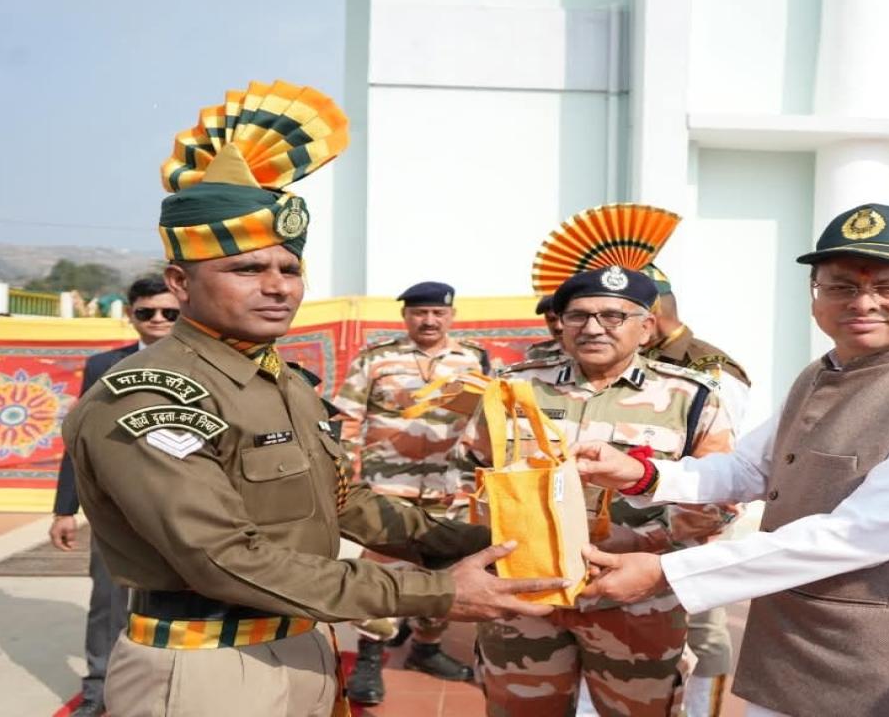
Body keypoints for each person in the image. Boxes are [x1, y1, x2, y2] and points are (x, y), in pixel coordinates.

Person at [62, 79, 562, 717]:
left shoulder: (284, 382)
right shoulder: (147, 397)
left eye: (290, 269)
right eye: (247, 269)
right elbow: (221, 559)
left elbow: (344, 502)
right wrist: (433, 592)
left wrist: (495, 539)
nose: (278, 288)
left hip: (304, 644)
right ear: (180, 283)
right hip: (208, 663)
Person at [573, 203, 889, 716]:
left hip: (882, 670)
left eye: (888, 287)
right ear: (816, 295)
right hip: (788, 652)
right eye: (840, 286)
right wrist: (643, 473)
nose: (863, 302)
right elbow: (752, 468)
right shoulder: (823, 373)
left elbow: (862, 534)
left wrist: (668, 572)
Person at [454, 265, 737, 716]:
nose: (592, 328)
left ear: (646, 326)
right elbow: (467, 475)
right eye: (578, 316)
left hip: (635, 600)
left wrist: (637, 541)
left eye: (612, 316)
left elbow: (719, 498)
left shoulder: (690, 399)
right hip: (524, 598)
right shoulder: (514, 388)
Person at [331, 281, 489, 702]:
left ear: (451, 316)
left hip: (449, 489)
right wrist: (344, 475)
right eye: (420, 312)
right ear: (405, 316)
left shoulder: (473, 360)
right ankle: (370, 654)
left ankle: (426, 648)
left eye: (438, 312)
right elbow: (346, 418)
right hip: (388, 489)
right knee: (382, 573)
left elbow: (487, 420)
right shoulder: (377, 359)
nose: (429, 320)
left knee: (445, 572)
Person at [49, 276, 179, 717]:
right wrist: (64, 509)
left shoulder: (206, 362)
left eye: (169, 312)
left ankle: (170, 688)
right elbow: (80, 440)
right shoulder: (103, 366)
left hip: (186, 505)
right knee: (108, 602)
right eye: (147, 312)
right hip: (116, 509)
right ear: (130, 315)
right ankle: (98, 690)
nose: (158, 319)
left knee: (187, 599)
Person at [639, 263, 749, 717]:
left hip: (694, 514)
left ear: (650, 314)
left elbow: (720, 455)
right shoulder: (637, 358)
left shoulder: (708, 366)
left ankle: (702, 711)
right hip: (636, 513)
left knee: (702, 628)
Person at [524, 294, 564, 361]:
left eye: (563, 319)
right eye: (551, 320)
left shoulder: (583, 350)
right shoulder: (538, 353)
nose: (558, 327)